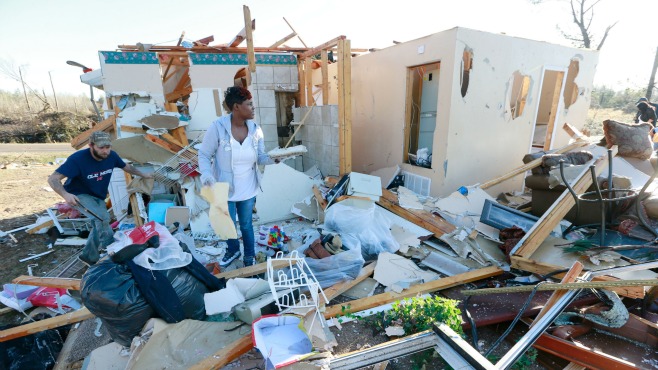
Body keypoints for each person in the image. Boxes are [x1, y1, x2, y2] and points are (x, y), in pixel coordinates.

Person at [198, 86, 277, 267]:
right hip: (223, 187)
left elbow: (261, 157)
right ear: (236, 107)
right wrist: (207, 175)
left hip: (248, 187)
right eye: (249, 104)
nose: (253, 107)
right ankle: (233, 250)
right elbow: (203, 155)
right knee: (226, 224)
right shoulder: (217, 128)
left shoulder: (256, 130)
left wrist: (276, 158)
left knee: (247, 225)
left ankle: (249, 255)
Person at [47, 131, 152, 266]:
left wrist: (144, 175)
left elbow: (127, 167)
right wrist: (65, 195)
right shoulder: (78, 159)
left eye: (107, 147)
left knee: (98, 225)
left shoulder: (111, 156)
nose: (105, 151)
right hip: (78, 195)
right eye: (101, 148)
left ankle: (88, 256)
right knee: (102, 218)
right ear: (91, 146)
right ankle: (112, 251)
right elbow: (53, 179)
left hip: (98, 196)